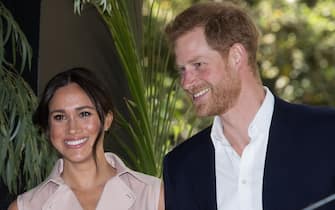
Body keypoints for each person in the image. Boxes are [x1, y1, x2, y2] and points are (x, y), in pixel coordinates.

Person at [162, 2, 335, 210]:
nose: (186, 82)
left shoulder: (327, 134)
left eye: (198, 65)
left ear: (236, 56)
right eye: (182, 70)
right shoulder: (180, 167)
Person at [8, 67, 164, 210]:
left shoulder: (152, 195)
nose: (73, 128)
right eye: (60, 117)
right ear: (48, 128)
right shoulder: (26, 207)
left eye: (84, 114)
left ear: (107, 120)